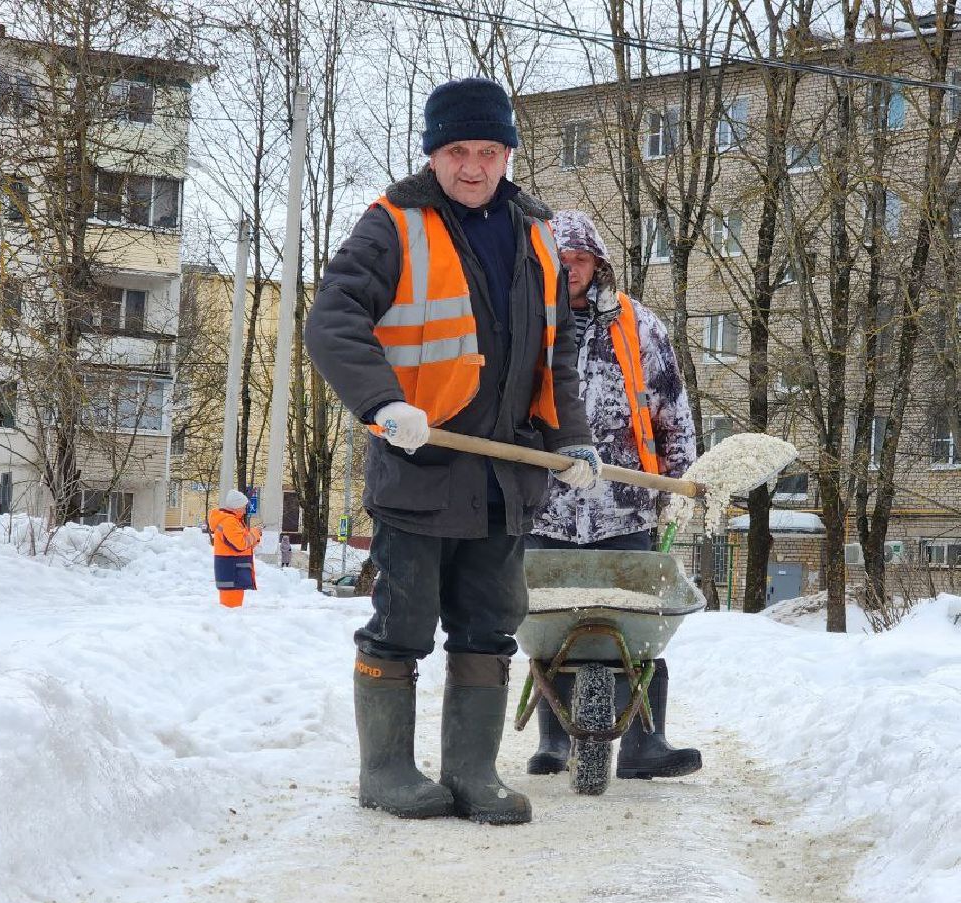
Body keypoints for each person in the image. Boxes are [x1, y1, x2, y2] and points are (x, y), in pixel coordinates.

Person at [304, 77, 599, 825]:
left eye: (489, 151)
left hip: (506, 476)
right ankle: (388, 771)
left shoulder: (537, 233)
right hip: (422, 465)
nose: (474, 166)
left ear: (507, 154)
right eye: (458, 151)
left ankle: (472, 773)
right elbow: (333, 319)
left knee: (490, 625)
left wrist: (573, 439)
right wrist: (381, 403)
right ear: (434, 153)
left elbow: (554, 358)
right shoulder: (392, 224)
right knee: (402, 624)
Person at [525, 209, 702, 781]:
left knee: (639, 632)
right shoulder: (528, 322)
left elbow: (671, 404)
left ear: (598, 264)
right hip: (545, 508)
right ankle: (555, 741)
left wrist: (682, 478)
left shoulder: (639, 325)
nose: (570, 268)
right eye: (560, 259)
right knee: (549, 629)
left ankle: (646, 744)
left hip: (625, 508)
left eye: (580, 259)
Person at [209, 489, 262, 608]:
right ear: (236, 507)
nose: (244, 510)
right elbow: (241, 544)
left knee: (233, 611)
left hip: (233, 572)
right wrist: (255, 533)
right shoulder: (229, 522)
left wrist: (255, 537)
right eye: (243, 507)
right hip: (231, 572)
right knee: (231, 611)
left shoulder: (234, 521)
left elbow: (244, 543)